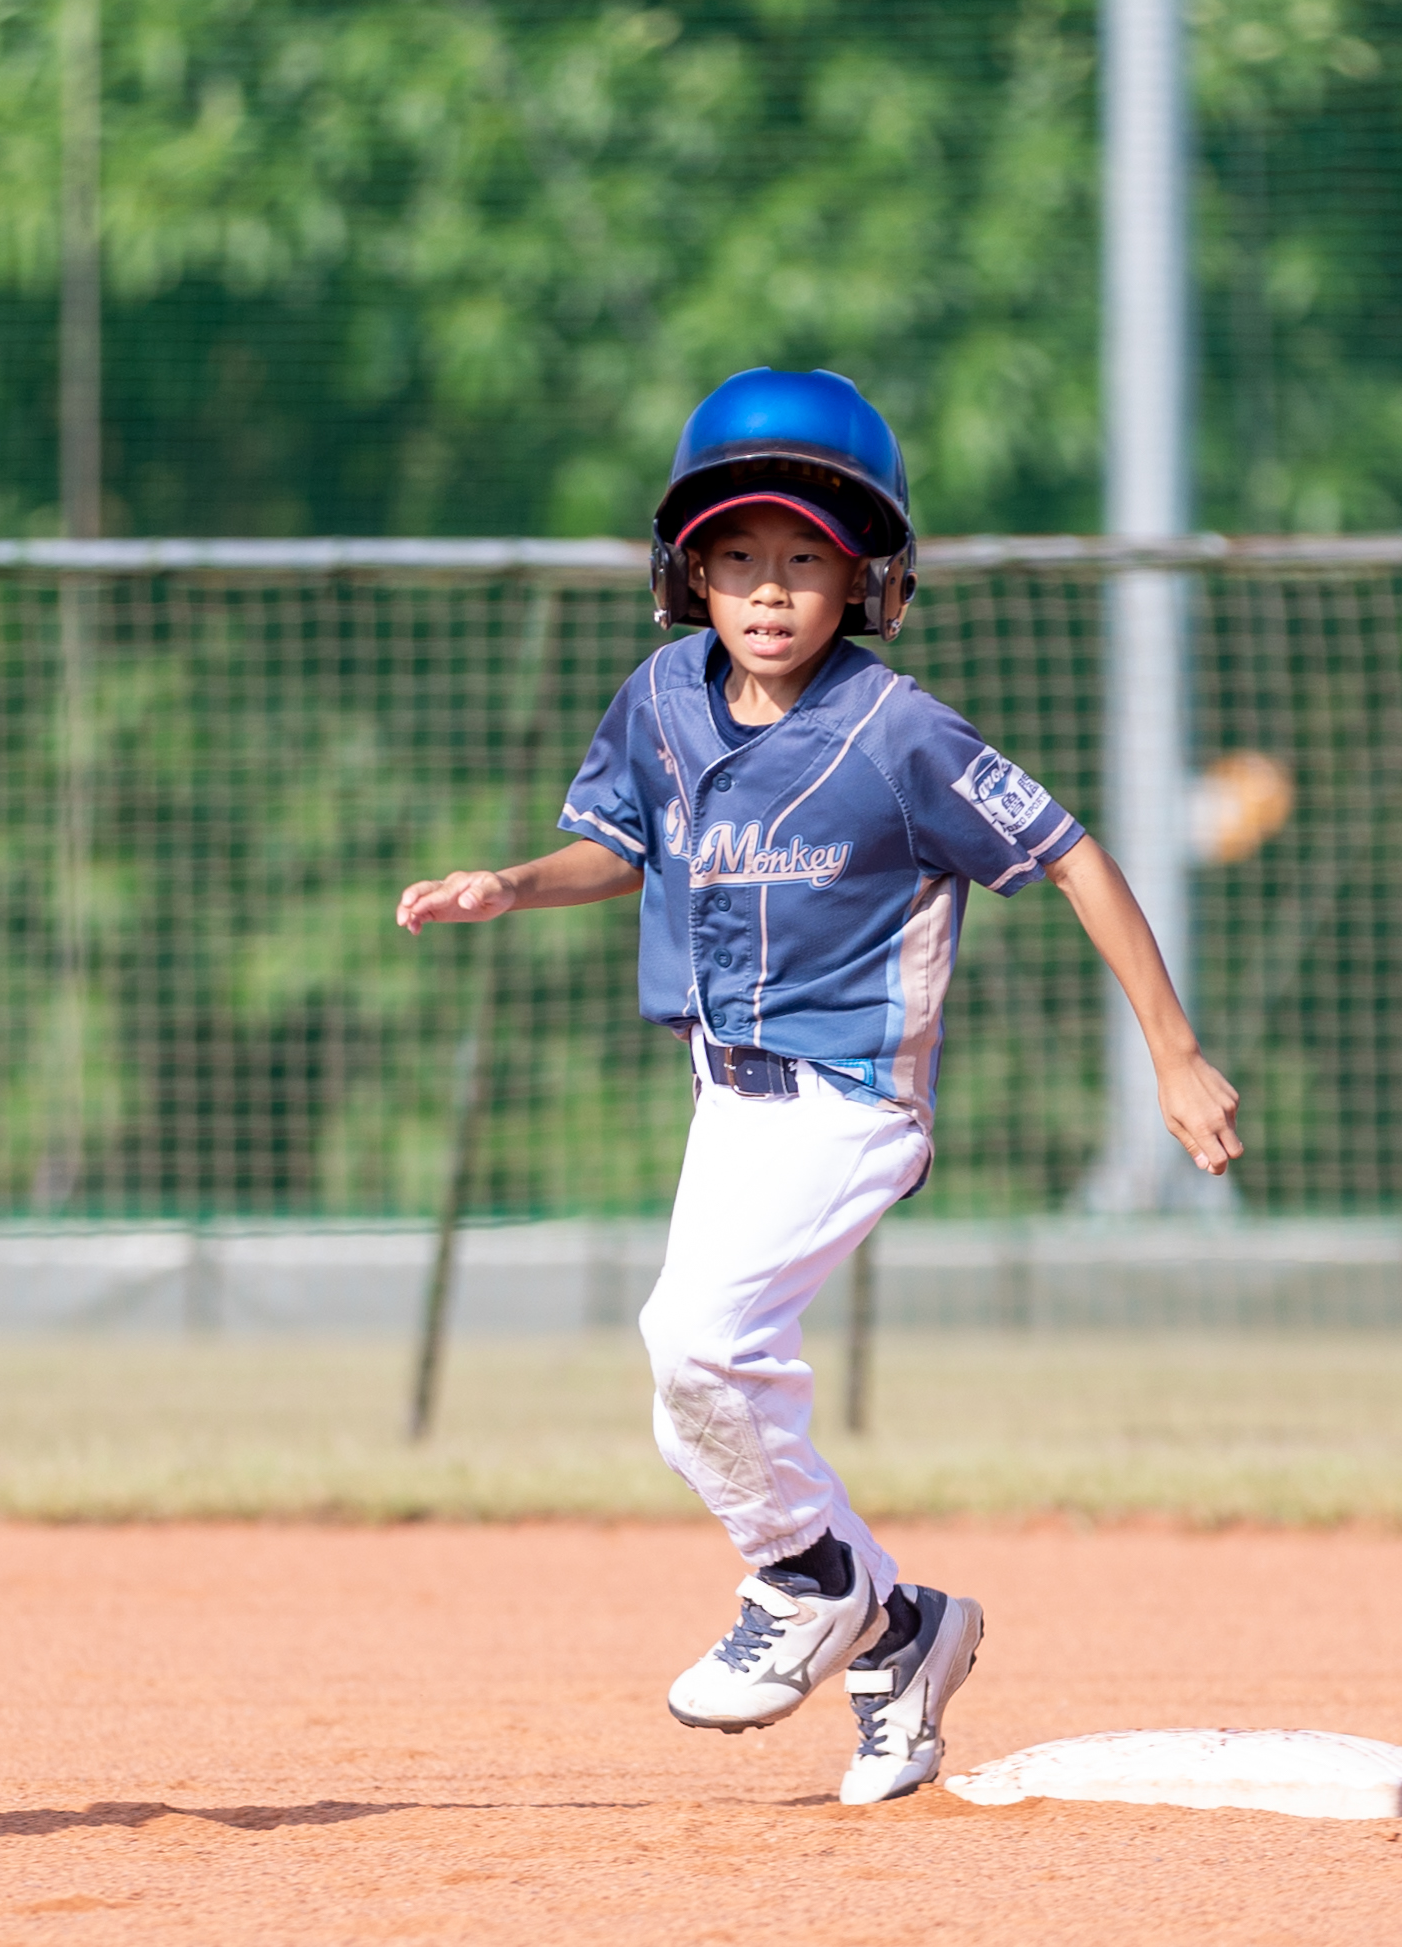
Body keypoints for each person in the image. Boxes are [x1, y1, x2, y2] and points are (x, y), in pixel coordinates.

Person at [394, 369, 1242, 1806]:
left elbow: (1071, 857)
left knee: (695, 1343)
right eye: (735, 558)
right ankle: (901, 1631)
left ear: (867, 580)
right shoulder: (661, 700)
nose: (769, 591)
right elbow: (621, 846)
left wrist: (1171, 1049)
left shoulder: (899, 732)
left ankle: (808, 1582)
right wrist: (512, 886)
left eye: (805, 558)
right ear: (689, 577)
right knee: (692, 1405)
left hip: (853, 1096)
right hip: (726, 1096)